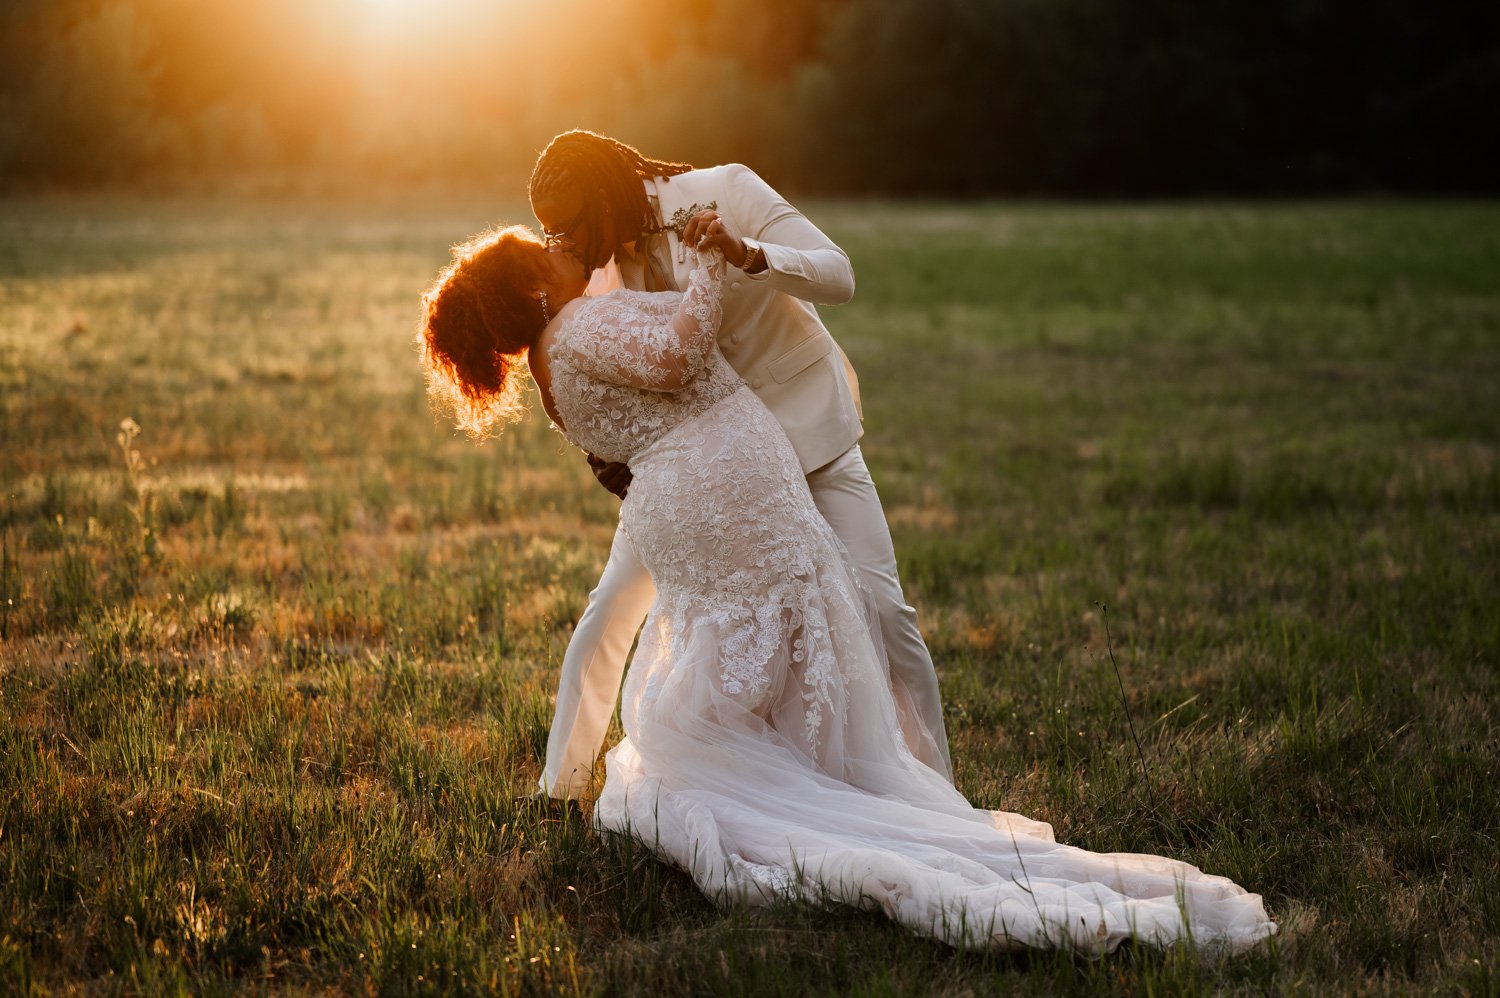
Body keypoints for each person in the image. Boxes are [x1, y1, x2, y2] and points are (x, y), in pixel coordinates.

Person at [417, 219, 1277, 954]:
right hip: (726, 493)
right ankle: (825, 789)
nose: (568, 252)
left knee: (746, 645)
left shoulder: (549, 360)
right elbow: (680, 353)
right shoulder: (575, 331)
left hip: (693, 501)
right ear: (534, 287)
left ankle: (791, 769)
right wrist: (713, 265)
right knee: (789, 629)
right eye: (548, 251)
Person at [526, 131, 951, 798]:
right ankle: (560, 789)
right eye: (550, 232)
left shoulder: (727, 187)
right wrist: (601, 454)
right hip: (703, 474)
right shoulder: (604, 261)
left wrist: (745, 253)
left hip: (808, 434)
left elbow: (838, 273)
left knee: (884, 612)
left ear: (604, 201)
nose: (564, 246)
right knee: (611, 606)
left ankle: (938, 796)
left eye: (569, 227)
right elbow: (593, 353)